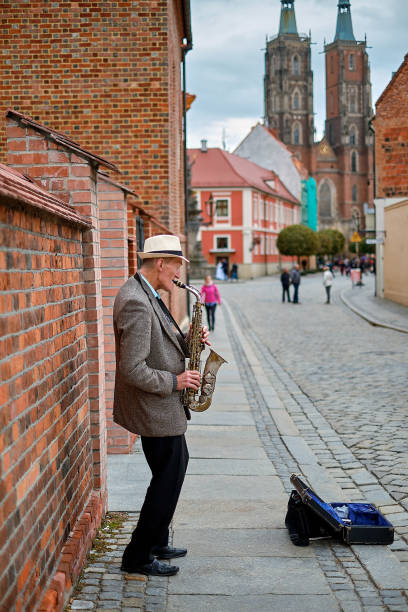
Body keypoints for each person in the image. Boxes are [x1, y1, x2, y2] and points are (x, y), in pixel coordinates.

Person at [113, 234, 209, 577]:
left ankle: (156, 540)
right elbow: (132, 368)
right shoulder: (136, 301)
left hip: (163, 407)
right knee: (167, 479)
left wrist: (190, 342)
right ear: (161, 263)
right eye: (177, 267)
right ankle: (137, 556)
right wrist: (177, 381)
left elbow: (161, 341)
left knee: (171, 471)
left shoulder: (148, 293)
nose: (179, 276)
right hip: (155, 406)